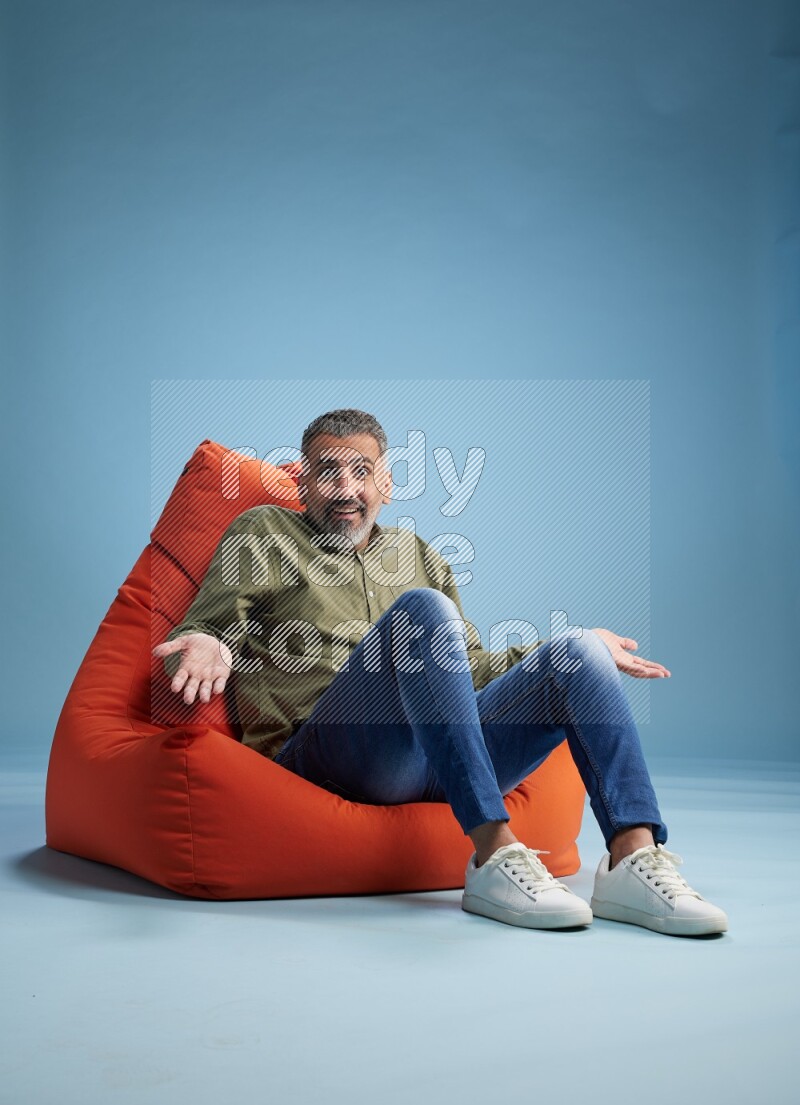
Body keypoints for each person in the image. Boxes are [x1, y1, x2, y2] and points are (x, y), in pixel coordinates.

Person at [153, 408, 728, 937]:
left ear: (386, 483)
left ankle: (632, 858)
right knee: (425, 611)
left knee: (578, 649)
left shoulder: (419, 554)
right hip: (331, 752)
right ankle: (494, 854)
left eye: (362, 471)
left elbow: (467, 667)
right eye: (329, 473)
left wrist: (569, 647)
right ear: (304, 483)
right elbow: (209, 622)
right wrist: (212, 642)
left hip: (435, 757)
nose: (347, 489)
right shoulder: (265, 531)